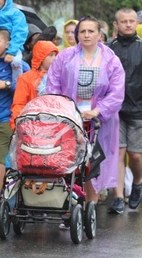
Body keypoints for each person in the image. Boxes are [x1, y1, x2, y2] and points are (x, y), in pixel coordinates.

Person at [46, 15, 125, 204]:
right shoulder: (65, 56)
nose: (87, 35)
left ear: (99, 34)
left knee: (96, 162)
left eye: (91, 31)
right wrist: (61, 109)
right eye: (82, 31)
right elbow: (53, 83)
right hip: (70, 119)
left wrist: (98, 111)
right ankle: (69, 204)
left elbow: (117, 91)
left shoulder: (111, 60)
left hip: (100, 121)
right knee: (68, 160)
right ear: (77, 34)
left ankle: (91, 205)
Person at [106, 8, 142, 213]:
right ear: (116, 25)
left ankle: (138, 182)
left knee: (136, 155)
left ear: (137, 22)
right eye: (124, 21)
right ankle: (118, 196)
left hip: (139, 109)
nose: (128, 24)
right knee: (118, 153)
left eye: (132, 21)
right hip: (114, 111)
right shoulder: (108, 48)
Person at [0, 27, 30, 215]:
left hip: (5, 118)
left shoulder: (18, 64)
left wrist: (7, 84)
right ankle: (3, 190)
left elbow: (25, 88)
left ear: (7, 44)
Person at [10, 40, 59, 129]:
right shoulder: (26, 78)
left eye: (56, 55)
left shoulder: (60, 77)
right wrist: (16, 126)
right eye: (51, 55)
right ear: (41, 57)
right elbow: (19, 104)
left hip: (56, 125)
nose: (55, 58)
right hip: (32, 126)